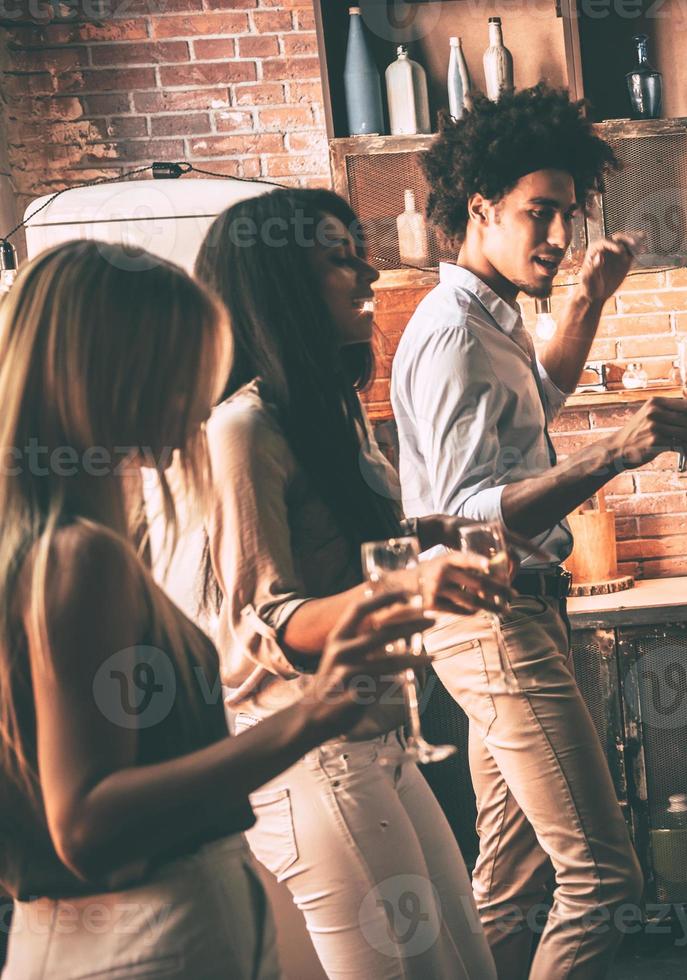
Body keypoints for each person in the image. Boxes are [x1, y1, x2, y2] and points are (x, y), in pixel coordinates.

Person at [0, 240, 434, 978]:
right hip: (144, 942)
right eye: (179, 361)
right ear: (101, 370)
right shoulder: (81, 557)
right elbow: (85, 821)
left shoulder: (68, 539)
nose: (198, 388)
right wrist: (314, 714)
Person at [393, 85, 687, 979]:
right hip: (494, 617)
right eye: (540, 214)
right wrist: (612, 454)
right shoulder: (453, 334)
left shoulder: (488, 322)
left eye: (569, 215)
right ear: (480, 209)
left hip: (512, 615)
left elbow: (538, 402)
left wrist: (588, 300)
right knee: (604, 879)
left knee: (515, 880)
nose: (560, 235)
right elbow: (460, 514)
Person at [183, 189, 503, 978]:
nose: (367, 270)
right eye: (339, 258)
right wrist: (409, 585)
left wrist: (445, 542)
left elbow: (359, 547)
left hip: (379, 741)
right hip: (313, 759)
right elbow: (268, 620)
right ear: (280, 285)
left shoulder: (326, 411)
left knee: (469, 967)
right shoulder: (241, 428)